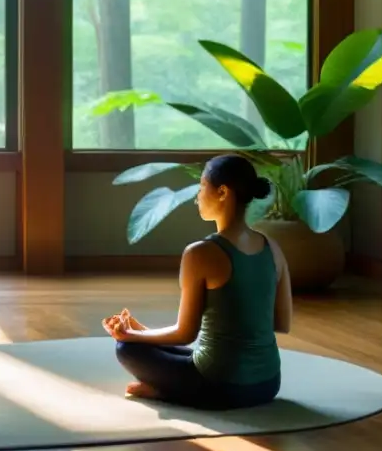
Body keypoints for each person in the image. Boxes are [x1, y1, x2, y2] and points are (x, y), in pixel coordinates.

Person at [102, 154, 292, 410]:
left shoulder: (200, 253)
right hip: (268, 383)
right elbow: (281, 322)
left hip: (222, 388)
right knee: (188, 350)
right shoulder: (273, 248)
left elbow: (184, 334)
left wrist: (131, 336)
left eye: (202, 187)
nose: (197, 197)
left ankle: (165, 392)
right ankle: (168, 384)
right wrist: (143, 332)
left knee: (126, 349)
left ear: (222, 192)